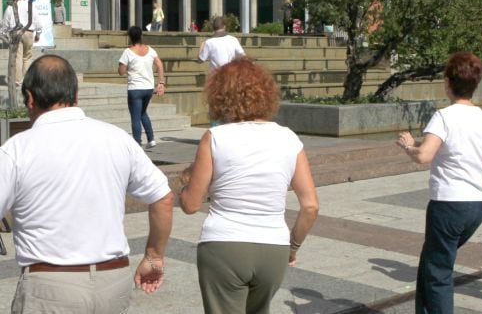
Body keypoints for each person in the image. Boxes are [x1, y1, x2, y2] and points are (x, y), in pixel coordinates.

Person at [0, 55, 173, 312]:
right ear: (76, 95)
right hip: (112, 281)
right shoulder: (117, 138)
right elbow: (163, 197)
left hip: (49, 284)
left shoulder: (16, 149)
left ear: (30, 97)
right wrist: (154, 255)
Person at [179, 57, 319, 314]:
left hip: (224, 245)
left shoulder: (215, 137)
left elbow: (190, 205)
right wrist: (293, 247)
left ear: (219, 96)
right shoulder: (289, 138)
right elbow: (310, 206)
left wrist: (186, 181)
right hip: (273, 248)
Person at [396, 52, 482, 314]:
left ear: (447, 82)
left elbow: (424, 156)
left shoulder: (444, 116)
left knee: (438, 272)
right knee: (431, 261)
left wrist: (409, 146)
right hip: (478, 205)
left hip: (449, 204)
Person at [119, 26, 166, 148]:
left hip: (135, 89)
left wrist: (127, 66)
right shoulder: (150, 50)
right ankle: (151, 139)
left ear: (130, 37)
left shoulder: (128, 52)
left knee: (135, 117)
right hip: (148, 88)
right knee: (143, 112)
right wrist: (161, 83)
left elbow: (121, 71)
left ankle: (137, 144)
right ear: (141, 36)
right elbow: (160, 65)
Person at [1, 0, 42, 86]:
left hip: (15, 32)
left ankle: (17, 81)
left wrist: (3, 34)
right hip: (29, 32)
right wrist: (38, 34)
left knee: (17, 57)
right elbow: (38, 22)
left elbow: (5, 24)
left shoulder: (10, 7)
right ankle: (27, 81)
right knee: (27, 57)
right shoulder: (30, 6)